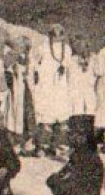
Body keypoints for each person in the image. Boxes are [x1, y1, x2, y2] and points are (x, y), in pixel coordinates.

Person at [28, 24, 76, 156]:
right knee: (55, 117)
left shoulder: (55, 49)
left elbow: (32, 64)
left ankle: (47, 146)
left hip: (53, 88)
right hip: (53, 87)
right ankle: (52, 146)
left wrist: (33, 80)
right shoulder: (57, 49)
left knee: (48, 118)